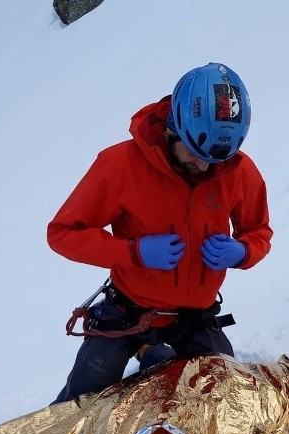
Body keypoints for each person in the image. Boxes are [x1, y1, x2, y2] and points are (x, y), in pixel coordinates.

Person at [47, 63, 272, 404]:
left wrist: (243, 252)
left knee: (226, 399)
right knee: (80, 404)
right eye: (196, 155)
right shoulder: (120, 165)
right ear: (175, 128)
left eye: (218, 159)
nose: (206, 168)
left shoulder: (236, 169)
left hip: (196, 317)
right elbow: (63, 233)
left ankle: (152, 353)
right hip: (128, 312)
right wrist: (133, 252)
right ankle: (145, 348)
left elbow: (258, 230)